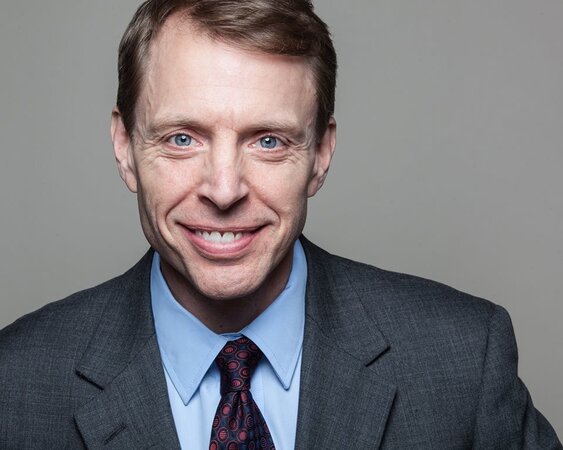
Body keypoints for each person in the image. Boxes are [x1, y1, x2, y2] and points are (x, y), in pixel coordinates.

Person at [0, 0, 560, 448]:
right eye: (182, 138)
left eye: (268, 141)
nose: (224, 190)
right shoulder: (15, 385)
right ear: (125, 148)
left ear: (320, 154)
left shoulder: (463, 362)